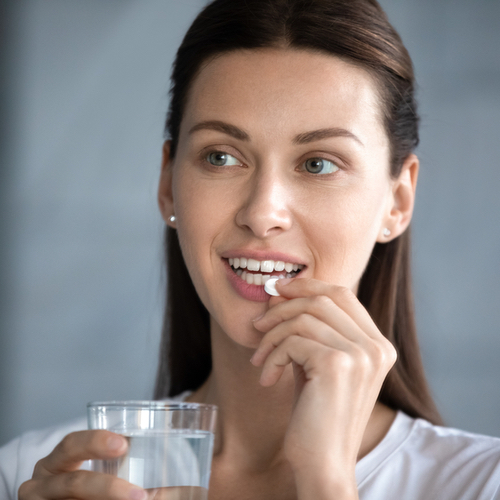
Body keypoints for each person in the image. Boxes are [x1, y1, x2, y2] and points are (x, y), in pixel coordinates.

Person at [1, 0, 500, 498]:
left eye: (319, 164)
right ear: (168, 185)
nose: (262, 213)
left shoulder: (481, 483)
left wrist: (325, 477)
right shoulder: (26, 474)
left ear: (397, 200)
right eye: (221, 156)